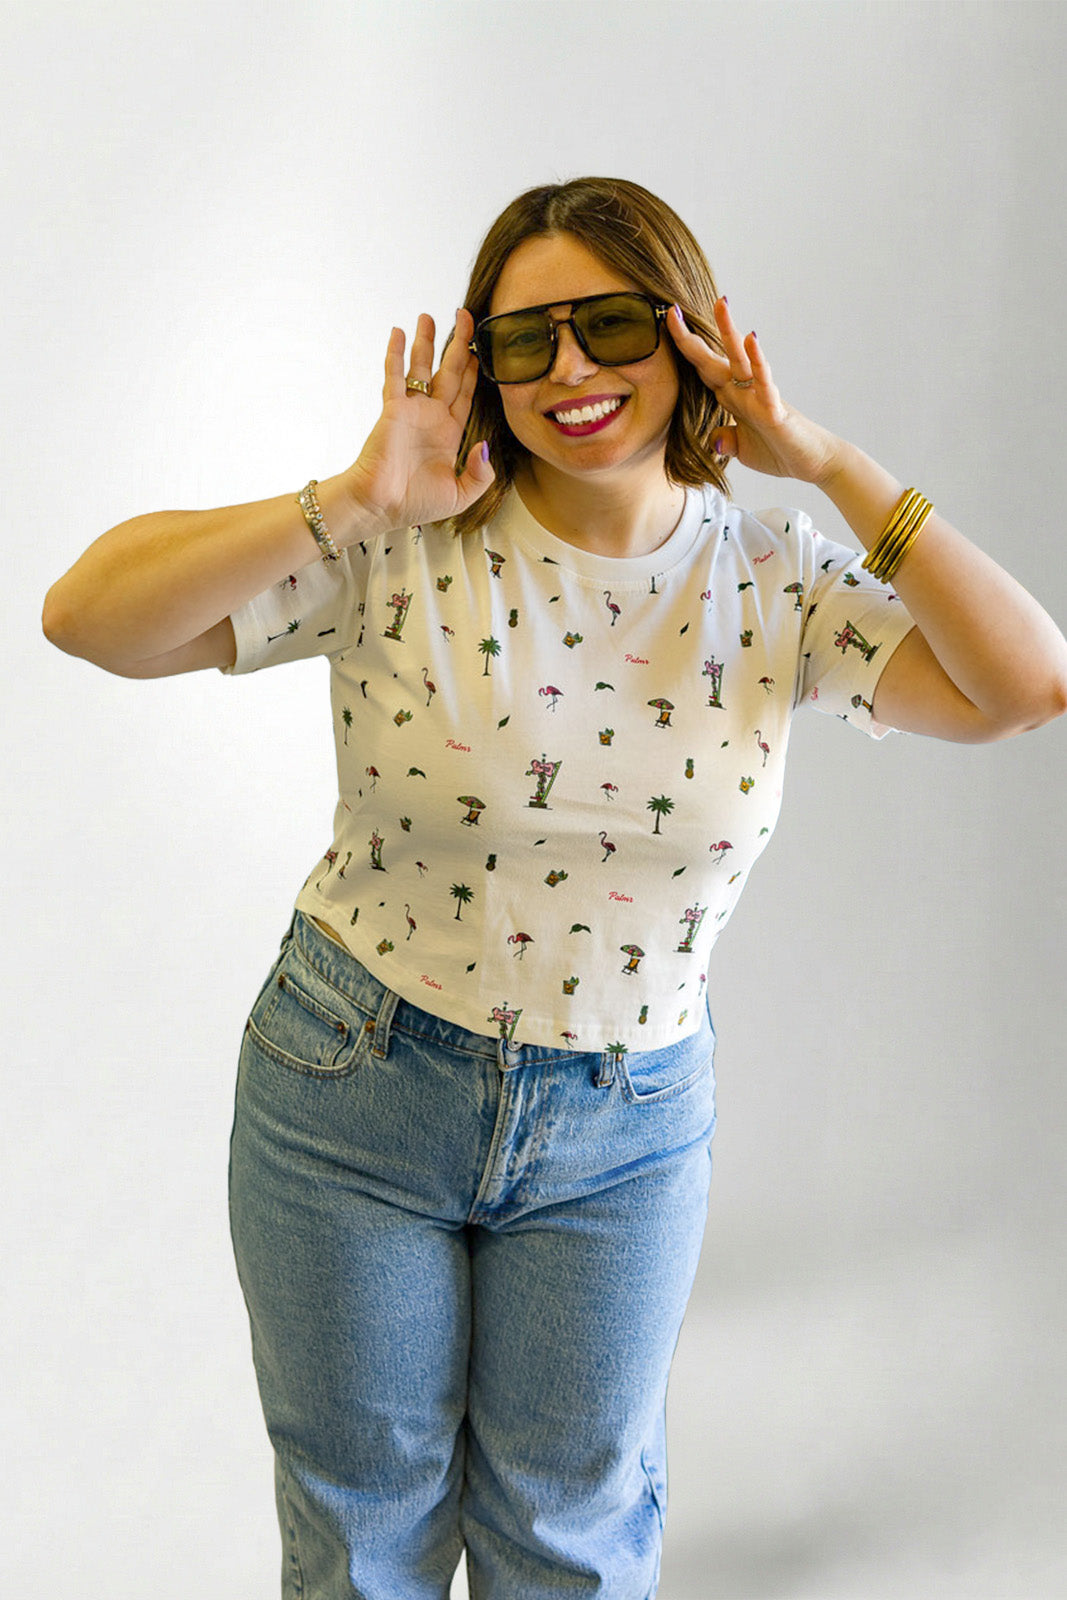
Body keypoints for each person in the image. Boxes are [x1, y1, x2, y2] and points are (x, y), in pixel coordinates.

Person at [42, 177, 1067, 1599]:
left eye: (610, 325)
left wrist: (827, 462)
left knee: (573, 1538)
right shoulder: (396, 546)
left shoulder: (772, 579)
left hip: (626, 1128)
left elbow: (1027, 686)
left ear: (689, 335)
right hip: (355, 1084)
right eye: (527, 340)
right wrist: (351, 495)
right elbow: (85, 615)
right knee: (360, 1535)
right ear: (484, 364)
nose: (571, 369)